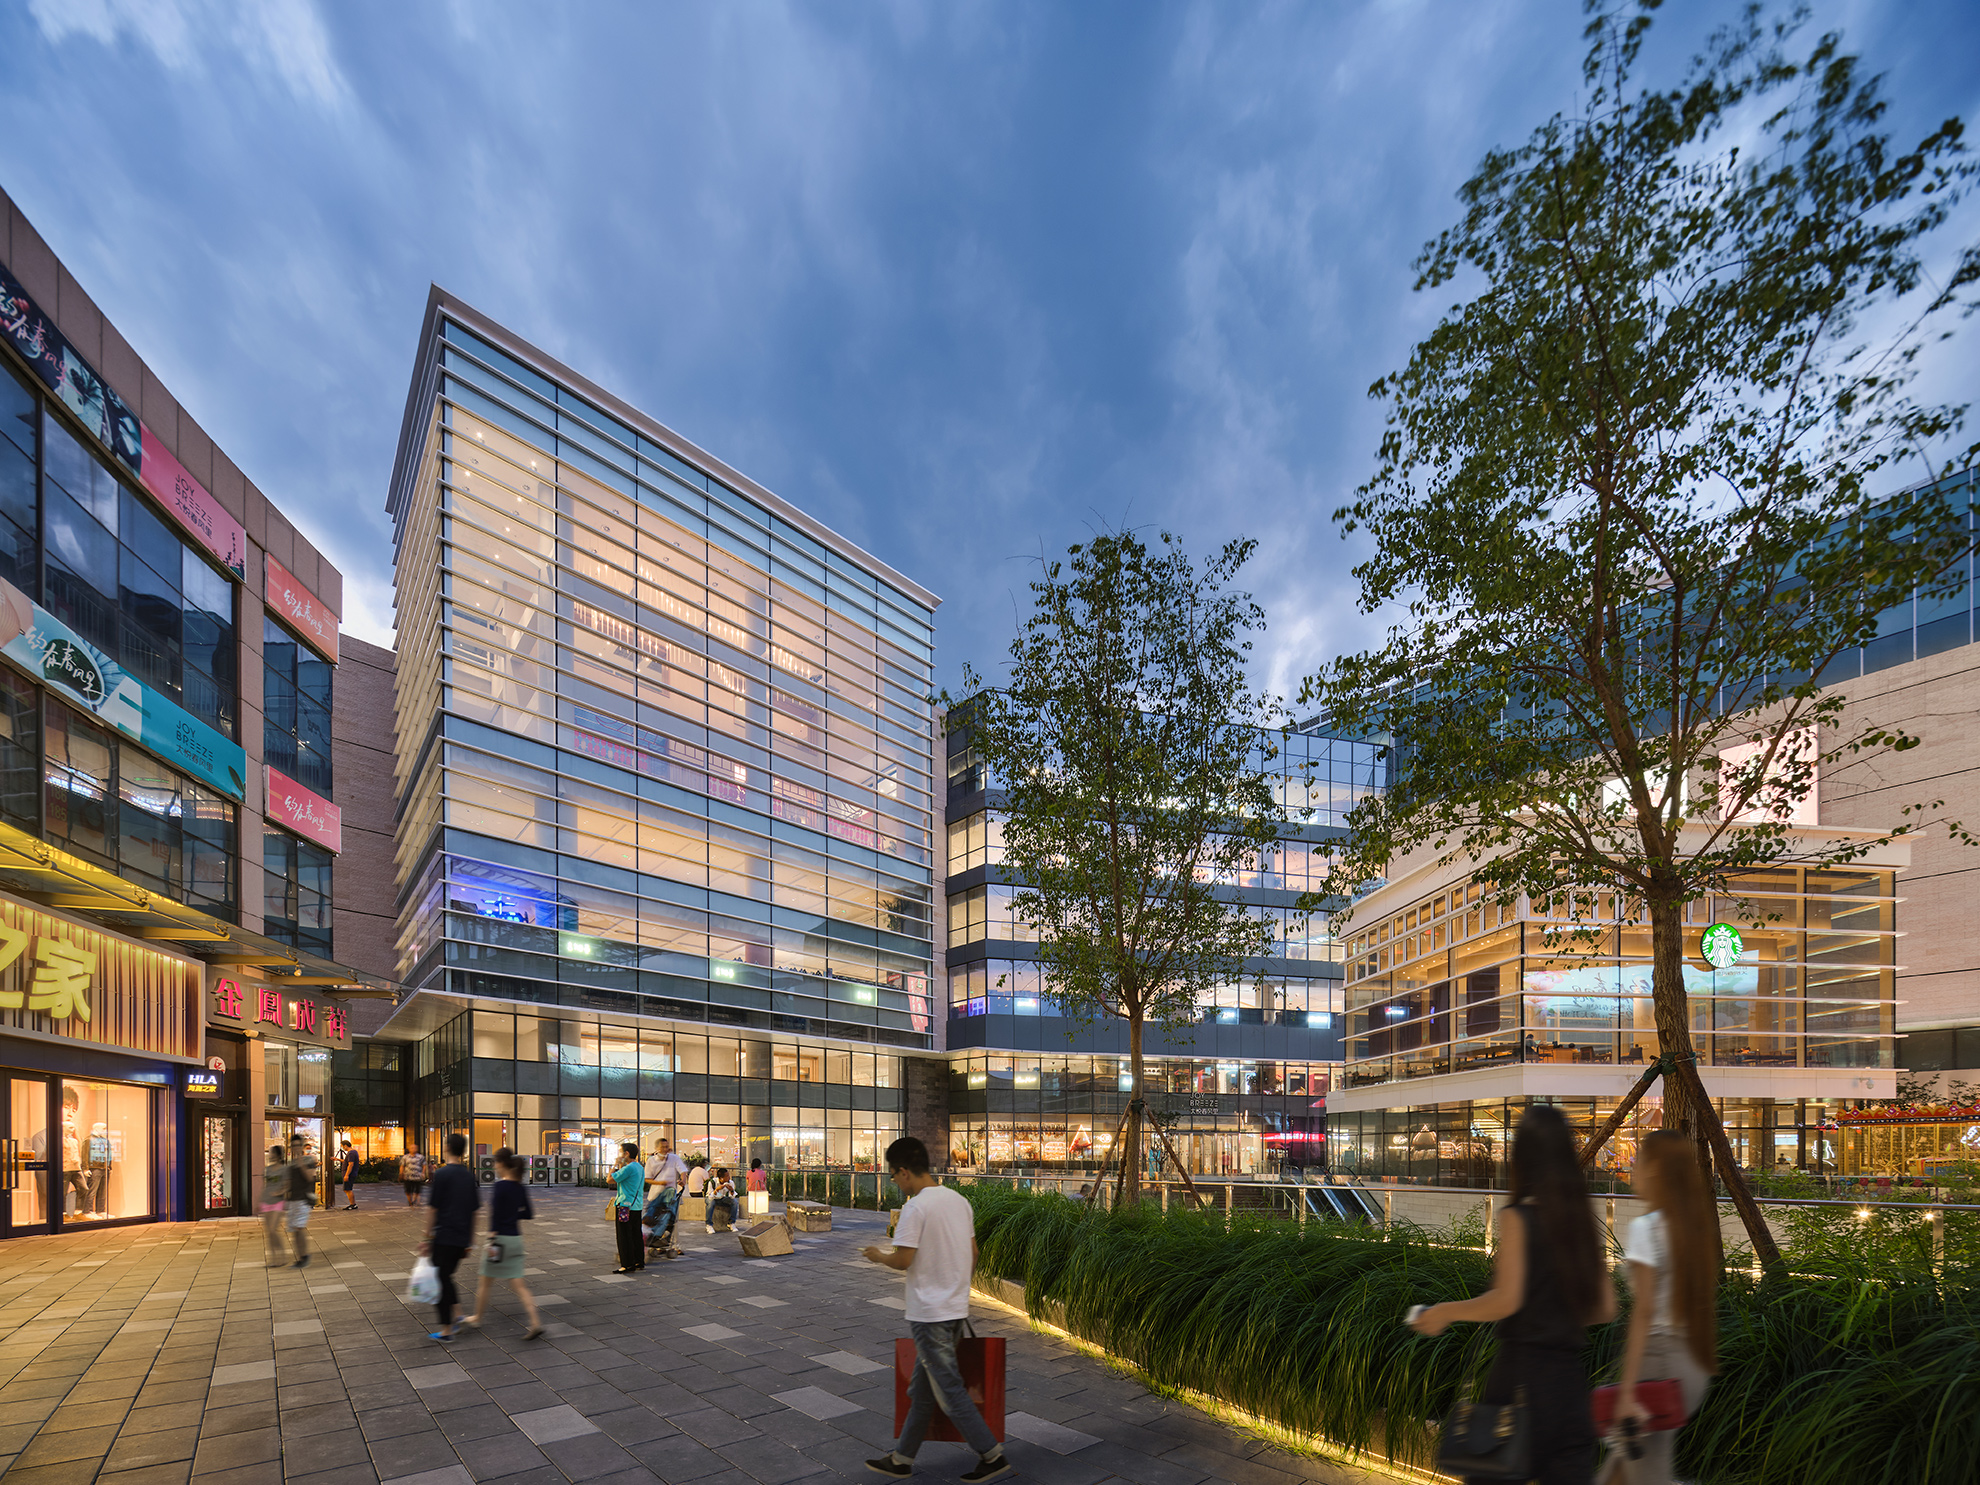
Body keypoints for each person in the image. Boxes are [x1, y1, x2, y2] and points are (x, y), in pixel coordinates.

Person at [1409, 1104, 1616, 1485]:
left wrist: (1443, 1311)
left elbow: (1507, 1300)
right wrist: (1556, 1310)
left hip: (1521, 1382)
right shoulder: (1581, 1220)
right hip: (1568, 1388)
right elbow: (1605, 1307)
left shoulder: (1519, 1216)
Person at [862, 1136, 1010, 1483]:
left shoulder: (915, 1207)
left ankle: (992, 1455)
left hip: (929, 1314)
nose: (895, 1183)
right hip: (955, 1309)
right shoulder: (958, 1201)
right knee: (924, 1391)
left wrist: (879, 1256)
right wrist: (955, 1288)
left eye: (894, 1176)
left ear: (904, 1171)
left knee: (948, 1390)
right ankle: (902, 1459)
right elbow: (972, 1254)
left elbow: (904, 1259)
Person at [1615, 1130, 1721, 1483]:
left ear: (1656, 1168)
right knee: (1620, 1470)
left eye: (1637, 1162)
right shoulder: (1692, 1228)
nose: (1633, 1170)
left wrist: (1627, 1390)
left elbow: (1644, 1312)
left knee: (1646, 1475)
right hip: (1692, 1363)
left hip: (1656, 1363)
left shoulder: (1647, 1228)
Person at [460, 1148, 544, 1340]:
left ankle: (477, 1317)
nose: (495, 1166)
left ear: (502, 1164)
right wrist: (514, 1215)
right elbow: (529, 1214)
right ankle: (535, 1321)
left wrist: (492, 1236)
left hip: (499, 1241)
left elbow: (495, 1215)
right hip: (515, 1239)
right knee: (519, 1284)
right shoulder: (520, 1187)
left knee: (485, 1280)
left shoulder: (500, 1187)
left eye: (496, 1163)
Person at [419, 1132, 480, 1340]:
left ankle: (447, 1329)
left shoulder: (442, 1175)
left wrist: (427, 1238)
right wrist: (470, 1241)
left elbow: (433, 1209)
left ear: (447, 1148)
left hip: (444, 1236)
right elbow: (474, 1211)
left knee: (439, 1280)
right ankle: (458, 1315)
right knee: (446, 1276)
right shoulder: (469, 1176)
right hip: (461, 1237)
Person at [644, 1138, 686, 1253]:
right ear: (657, 1148)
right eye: (663, 1147)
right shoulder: (651, 1161)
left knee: (672, 1220)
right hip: (656, 1195)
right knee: (656, 1220)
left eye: (667, 1146)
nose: (665, 1149)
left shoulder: (674, 1158)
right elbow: (647, 1178)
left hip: (671, 1196)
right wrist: (659, 1183)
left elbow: (682, 1170)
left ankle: (675, 1246)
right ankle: (656, 1243)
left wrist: (683, 1180)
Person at [611, 1141, 648, 1275]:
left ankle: (627, 1264)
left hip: (624, 1205)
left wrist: (615, 1164)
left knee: (623, 1235)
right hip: (636, 1205)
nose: (619, 1155)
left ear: (626, 1153)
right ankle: (639, 1261)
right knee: (635, 1234)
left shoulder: (628, 1168)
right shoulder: (638, 1167)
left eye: (621, 1152)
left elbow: (610, 1179)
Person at [286, 1136, 319, 1268]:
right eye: (293, 1146)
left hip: (304, 1200)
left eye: (297, 1145)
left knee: (299, 1228)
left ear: (302, 1146)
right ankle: (300, 1257)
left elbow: (309, 1177)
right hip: (293, 1199)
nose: (295, 1148)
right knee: (294, 1229)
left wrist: (300, 1163)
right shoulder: (291, 1163)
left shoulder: (309, 1160)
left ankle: (304, 1256)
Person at [260, 1145, 292, 1266]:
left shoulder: (284, 1169)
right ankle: (273, 1258)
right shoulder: (267, 1170)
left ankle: (283, 1255)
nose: (270, 1154)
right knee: (269, 1232)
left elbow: (288, 1184)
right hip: (266, 1201)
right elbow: (265, 1186)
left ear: (279, 1155)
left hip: (278, 1202)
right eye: (269, 1152)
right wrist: (259, 1201)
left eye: (272, 1152)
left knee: (273, 1229)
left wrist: (280, 1192)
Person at [705, 1167, 738, 1232]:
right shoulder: (712, 1182)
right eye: (727, 1176)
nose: (729, 1177)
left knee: (734, 1202)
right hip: (712, 1198)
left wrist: (731, 1190)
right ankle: (709, 1225)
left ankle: (731, 1223)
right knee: (711, 1203)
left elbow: (732, 1197)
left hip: (722, 1198)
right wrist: (717, 1189)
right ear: (721, 1178)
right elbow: (710, 1197)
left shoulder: (730, 1182)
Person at [337, 1141, 360, 1210]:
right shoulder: (353, 1152)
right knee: (347, 1189)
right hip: (351, 1174)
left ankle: (353, 1204)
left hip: (350, 1174)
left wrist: (347, 1175)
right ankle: (353, 1204)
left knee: (348, 1189)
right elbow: (347, 1161)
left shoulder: (351, 1153)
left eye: (342, 1146)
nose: (342, 1148)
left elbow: (350, 1164)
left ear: (345, 1145)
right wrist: (337, 1159)